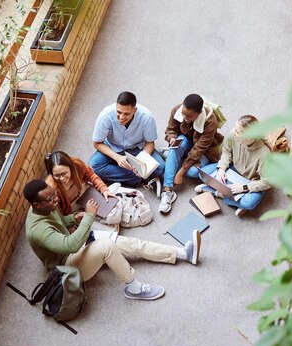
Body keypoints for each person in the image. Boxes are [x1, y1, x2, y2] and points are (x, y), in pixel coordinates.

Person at [23, 179, 202, 301]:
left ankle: (182, 253)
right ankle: (134, 289)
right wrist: (89, 217)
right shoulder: (37, 229)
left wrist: (74, 218)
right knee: (107, 246)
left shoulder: (46, 207)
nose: (55, 199)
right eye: (50, 198)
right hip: (67, 267)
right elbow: (70, 244)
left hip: (74, 249)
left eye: (54, 194)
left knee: (125, 242)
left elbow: (61, 223)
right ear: (36, 204)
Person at [195, 115, 272, 218]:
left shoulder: (265, 154)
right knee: (203, 174)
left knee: (249, 203)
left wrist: (244, 188)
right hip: (233, 169)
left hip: (251, 181)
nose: (233, 132)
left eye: (237, 131)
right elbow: (227, 151)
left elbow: (267, 182)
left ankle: (219, 193)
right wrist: (221, 169)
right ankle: (231, 198)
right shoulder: (233, 135)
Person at [88, 91, 164, 195]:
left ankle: (128, 173)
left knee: (160, 168)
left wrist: (140, 162)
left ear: (135, 110)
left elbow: (150, 142)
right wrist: (117, 157)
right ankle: (140, 178)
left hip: (137, 148)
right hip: (112, 147)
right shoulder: (105, 116)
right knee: (93, 166)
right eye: (118, 112)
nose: (121, 117)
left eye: (126, 114)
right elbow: (97, 143)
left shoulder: (147, 117)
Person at [159, 94, 224, 213]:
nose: (184, 118)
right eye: (183, 114)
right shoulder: (176, 110)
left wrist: (181, 172)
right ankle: (167, 190)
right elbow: (170, 130)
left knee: (193, 172)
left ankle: (171, 160)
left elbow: (198, 150)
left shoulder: (210, 121)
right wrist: (172, 137)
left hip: (203, 149)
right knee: (175, 148)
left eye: (189, 116)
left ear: (199, 113)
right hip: (185, 138)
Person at [44, 151, 115, 215]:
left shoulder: (77, 165)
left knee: (112, 209)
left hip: (84, 191)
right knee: (109, 217)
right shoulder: (51, 187)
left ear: (71, 167)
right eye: (57, 175)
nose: (62, 178)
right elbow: (57, 213)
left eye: (64, 173)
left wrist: (104, 189)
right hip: (71, 207)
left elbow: (90, 174)